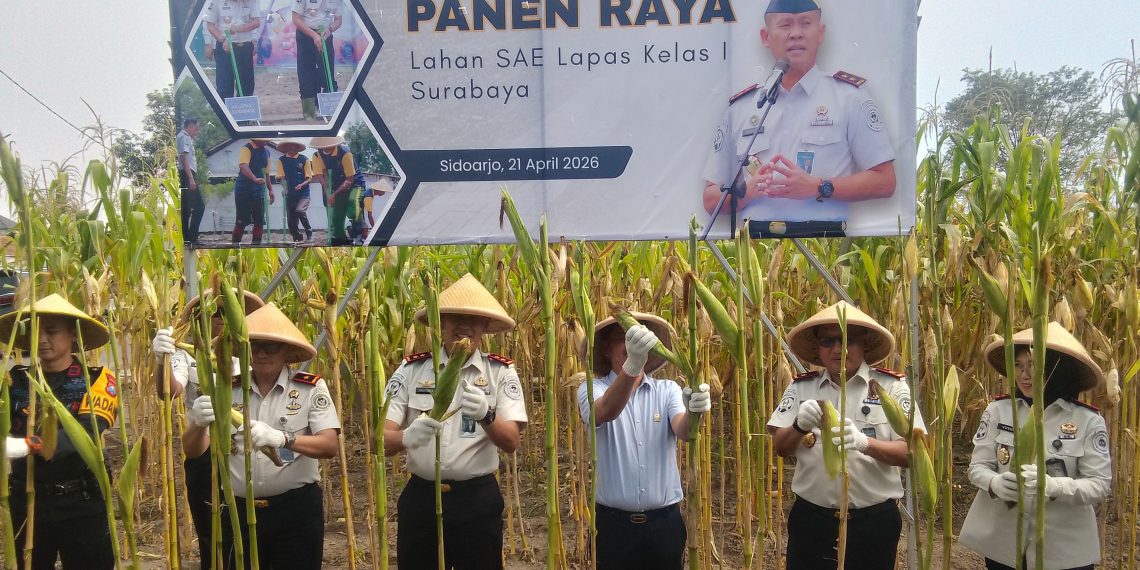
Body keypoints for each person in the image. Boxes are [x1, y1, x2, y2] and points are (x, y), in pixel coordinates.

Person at [701, 0, 896, 231]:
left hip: (823, 242)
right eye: (785, 25)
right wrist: (748, 191)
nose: (796, 34)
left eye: (806, 23)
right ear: (765, 36)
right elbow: (711, 198)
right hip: (755, 247)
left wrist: (818, 187)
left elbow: (884, 181)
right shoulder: (743, 107)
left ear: (820, 32)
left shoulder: (849, 98)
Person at [383, 273, 528, 570]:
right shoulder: (411, 370)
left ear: (485, 326)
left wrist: (487, 415)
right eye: (454, 317)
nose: (463, 325)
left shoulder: (500, 372)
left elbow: (511, 441)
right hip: (421, 498)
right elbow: (379, 441)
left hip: (476, 501)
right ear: (441, 323)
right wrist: (406, 437)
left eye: (473, 318)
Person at [182, 303, 340, 569]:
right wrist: (198, 423)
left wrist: (283, 439)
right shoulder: (225, 389)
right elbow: (192, 450)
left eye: (271, 346)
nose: (262, 353)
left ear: (288, 351)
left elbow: (329, 445)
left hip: (295, 510)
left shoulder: (310, 388)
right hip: (237, 511)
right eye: (254, 346)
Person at [766, 301, 922, 569]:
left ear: (865, 344)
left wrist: (865, 443)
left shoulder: (891, 388)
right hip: (813, 521)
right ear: (818, 347)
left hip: (873, 523)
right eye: (828, 341)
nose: (838, 349)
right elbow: (781, 447)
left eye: (847, 340)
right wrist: (799, 426)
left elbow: (914, 452)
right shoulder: (802, 388)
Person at [960, 322, 1110, 570]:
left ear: (1057, 369)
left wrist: (1054, 486)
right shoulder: (998, 411)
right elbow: (978, 467)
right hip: (1005, 546)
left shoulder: (1087, 421)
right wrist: (993, 483)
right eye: (1018, 366)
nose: (1024, 375)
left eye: (1033, 366)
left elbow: (1099, 484)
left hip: (1062, 552)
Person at [577, 312, 712, 570]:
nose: (630, 345)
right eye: (622, 338)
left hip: (664, 524)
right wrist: (632, 367)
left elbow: (684, 431)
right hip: (612, 526)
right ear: (605, 348)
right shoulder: (591, 389)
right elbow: (603, 412)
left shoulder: (668, 389)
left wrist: (696, 412)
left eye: (637, 338)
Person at [150, 289, 265, 568]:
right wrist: (161, 359)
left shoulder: (255, 353)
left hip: (249, 450)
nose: (221, 320)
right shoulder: (187, 355)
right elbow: (170, 391)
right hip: (205, 450)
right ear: (199, 318)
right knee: (213, 537)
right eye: (214, 313)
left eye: (228, 313)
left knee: (256, 536)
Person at [1, 293, 118, 569]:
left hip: (81, 503)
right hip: (26, 504)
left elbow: (86, 435)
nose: (42, 339)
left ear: (73, 336)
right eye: (36, 332)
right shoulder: (14, 381)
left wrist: (28, 445)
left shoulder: (98, 380)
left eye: (52, 331)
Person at [292, 0, 344, 119]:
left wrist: (329, 30)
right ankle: (309, 114)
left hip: (325, 35)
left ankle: (329, 112)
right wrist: (314, 35)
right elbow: (296, 19)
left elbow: (338, 20)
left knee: (327, 74)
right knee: (305, 74)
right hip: (305, 35)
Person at [309, 136, 364, 246]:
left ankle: (358, 236)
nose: (326, 147)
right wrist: (327, 189)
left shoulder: (345, 153)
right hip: (336, 185)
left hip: (354, 184)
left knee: (353, 203)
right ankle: (340, 238)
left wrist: (334, 194)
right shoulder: (317, 155)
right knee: (336, 214)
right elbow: (321, 174)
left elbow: (350, 179)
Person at [204, 0, 260, 99]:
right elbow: (210, 25)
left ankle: (243, 112)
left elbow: (256, 22)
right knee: (224, 86)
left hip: (245, 45)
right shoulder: (216, 2)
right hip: (225, 47)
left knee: (247, 85)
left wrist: (240, 29)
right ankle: (225, 113)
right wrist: (222, 40)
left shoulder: (250, 1)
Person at [232, 138, 276, 245]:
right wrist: (254, 178)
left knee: (259, 220)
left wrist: (270, 190)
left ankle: (256, 245)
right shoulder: (246, 149)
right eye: (263, 140)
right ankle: (235, 245)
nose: (266, 142)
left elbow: (266, 174)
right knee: (241, 220)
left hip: (259, 190)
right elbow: (243, 166)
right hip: (244, 189)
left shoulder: (267, 152)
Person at [274, 140, 316, 242]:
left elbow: (309, 178)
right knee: (291, 221)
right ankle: (297, 237)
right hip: (290, 193)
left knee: (300, 211)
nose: (291, 149)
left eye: (294, 147)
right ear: (286, 148)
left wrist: (302, 185)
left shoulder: (304, 160)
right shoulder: (281, 160)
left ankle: (309, 232)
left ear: (297, 148)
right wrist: (285, 188)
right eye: (289, 147)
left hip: (303, 193)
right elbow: (281, 177)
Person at [178, 118, 205, 246]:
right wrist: (191, 178)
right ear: (190, 126)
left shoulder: (184, 137)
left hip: (187, 174)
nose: (196, 131)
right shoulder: (184, 137)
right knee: (199, 206)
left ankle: (188, 239)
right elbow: (183, 158)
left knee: (187, 208)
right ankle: (192, 238)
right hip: (187, 174)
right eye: (196, 128)